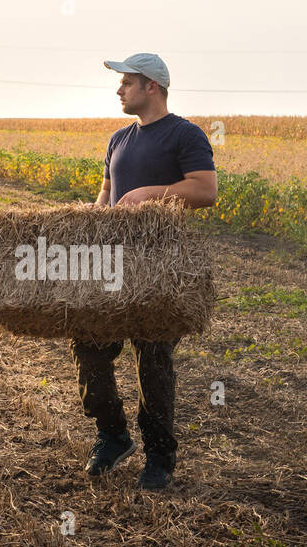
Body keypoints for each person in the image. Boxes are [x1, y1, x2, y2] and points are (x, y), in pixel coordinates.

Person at [72, 53, 217, 490]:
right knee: (89, 348)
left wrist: (150, 194)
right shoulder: (118, 139)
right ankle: (113, 435)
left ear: (151, 86)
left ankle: (159, 457)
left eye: (126, 83)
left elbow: (206, 190)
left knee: (153, 361)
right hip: (112, 266)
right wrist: (90, 230)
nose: (119, 90)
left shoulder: (184, 135)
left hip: (160, 268)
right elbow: (106, 195)